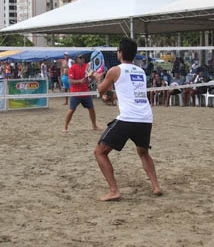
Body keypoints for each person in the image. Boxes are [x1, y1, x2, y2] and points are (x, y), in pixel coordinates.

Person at [92, 37, 162, 201]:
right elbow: (119, 94)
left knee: (100, 152)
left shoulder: (115, 70)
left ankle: (114, 190)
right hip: (145, 117)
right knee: (143, 152)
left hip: (128, 118)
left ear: (120, 53)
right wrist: (109, 97)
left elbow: (100, 90)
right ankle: (156, 187)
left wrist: (98, 79)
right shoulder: (140, 71)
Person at [63, 54, 99, 132]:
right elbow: (70, 81)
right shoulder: (72, 68)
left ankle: (94, 125)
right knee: (71, 110)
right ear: (77, 59)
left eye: (83, 58)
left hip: (85, 92)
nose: (82, 59)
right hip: (75, 93)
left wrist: (93, 78)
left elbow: (91, 76)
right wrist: (80, 81)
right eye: (80, 58)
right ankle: (65, 127)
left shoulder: (87, 66)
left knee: (91, 109)